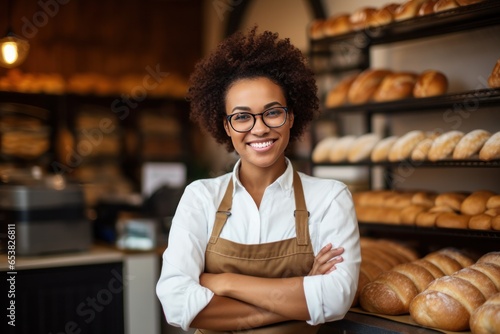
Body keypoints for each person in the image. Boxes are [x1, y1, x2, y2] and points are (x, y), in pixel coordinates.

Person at [156, 27, 361, 334]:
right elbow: (176, 304)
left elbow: (335, 300)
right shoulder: (200, 198)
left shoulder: (330, 198)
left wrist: (225, 282)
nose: (260, 128)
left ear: (291, 117)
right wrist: (300, 297)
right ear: (225, 126)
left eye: (273, 112)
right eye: (242, 116)